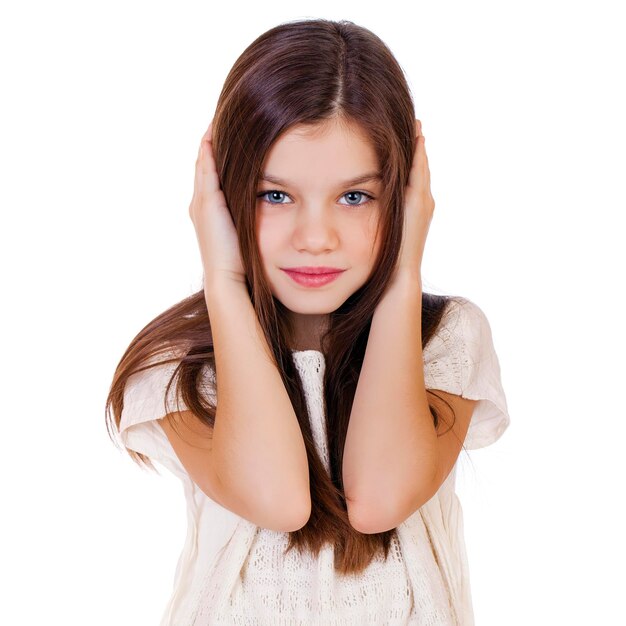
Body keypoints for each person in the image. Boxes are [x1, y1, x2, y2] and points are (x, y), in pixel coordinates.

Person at [106, 18, 510, 626]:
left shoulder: (445, 341)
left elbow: (377, 499)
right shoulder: (180, 369)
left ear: (404, 195)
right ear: (225, 192)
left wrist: (403, 274)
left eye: (355, 197)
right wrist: (223, 279)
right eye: (275, 195)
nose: (315, 238)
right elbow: (279, 500)